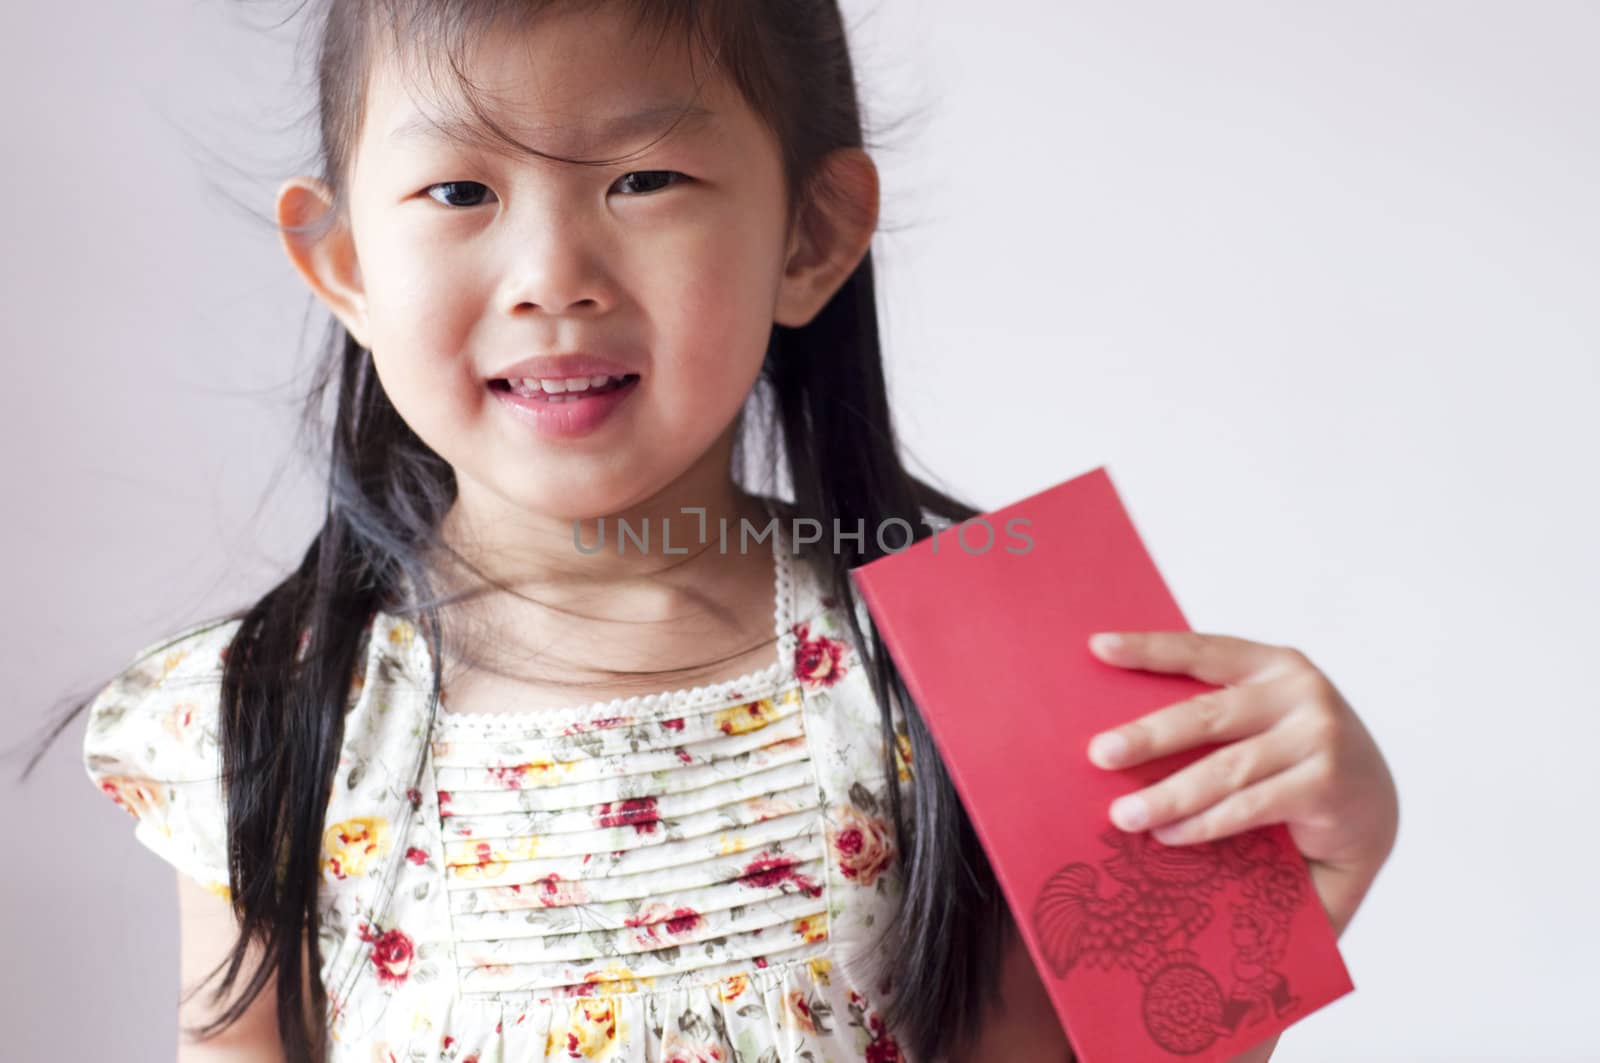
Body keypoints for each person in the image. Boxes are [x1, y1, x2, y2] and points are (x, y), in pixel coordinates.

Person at [72, 2, 1399, 1061]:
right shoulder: (259, 710)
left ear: (812, 236)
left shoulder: (983, 669)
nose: (551, 279)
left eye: (644, 178)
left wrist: (1291, 883)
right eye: (460, 193)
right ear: (347, 259)